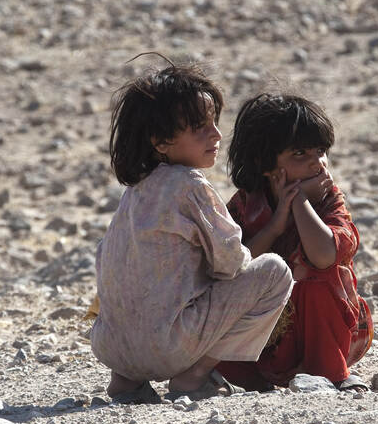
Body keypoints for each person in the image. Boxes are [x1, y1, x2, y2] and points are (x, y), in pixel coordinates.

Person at [90, 60, 294, 404]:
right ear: (160, 142)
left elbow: (105, 259)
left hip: (109, 347)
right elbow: (230, 262)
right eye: (200, 127)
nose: (215, 135)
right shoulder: (190, 186)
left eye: (214, 123)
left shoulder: (134, 192)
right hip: (169, 348)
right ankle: (195, 374)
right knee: (275, 272)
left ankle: (125, 381)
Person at [217, 93, 373, 392]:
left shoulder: (329, 201)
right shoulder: (245, 206)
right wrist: (275, 227)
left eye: (321, 150)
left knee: (314, 276)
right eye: (300, 154)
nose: (318, 163)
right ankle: (250, 378)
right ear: (266, 165)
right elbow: (234, 264)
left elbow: (326, 255)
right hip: (265, 337)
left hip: (324, 335)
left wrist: (299, 201)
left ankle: (328, 373)